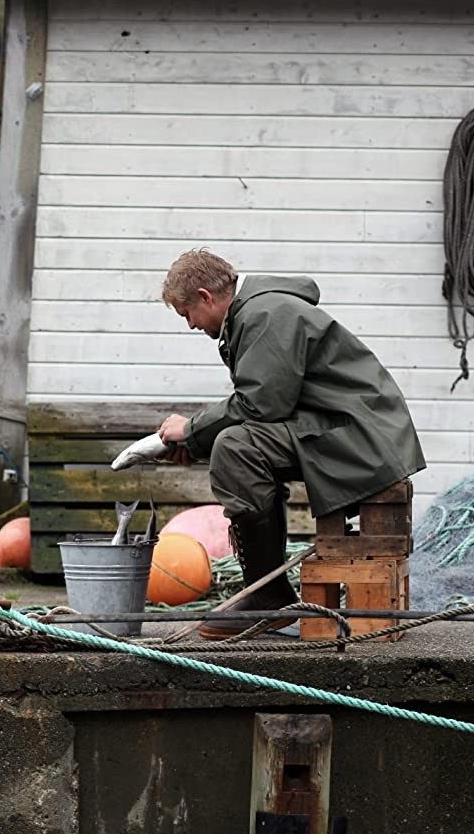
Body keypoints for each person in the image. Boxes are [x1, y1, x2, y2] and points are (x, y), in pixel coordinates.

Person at [155, 249, 425, 639]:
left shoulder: (265, 314)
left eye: (188, 314)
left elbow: (262, 404)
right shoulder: (260, 311)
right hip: (344, 431)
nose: (191, 325)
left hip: (362, 439)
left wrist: (192, 428)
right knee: (236, 446)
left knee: (236, 448)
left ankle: (267, 595)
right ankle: (268, 592)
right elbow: (271, 406)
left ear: (205, 296)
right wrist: (194, 442)